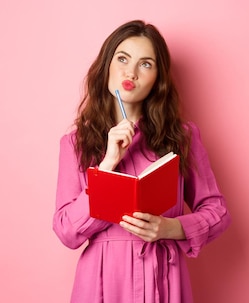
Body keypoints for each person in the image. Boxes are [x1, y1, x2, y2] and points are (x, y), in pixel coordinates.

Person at [53, 20, 231, 302]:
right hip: (102, 281)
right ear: (106, 65)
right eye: (123, 58)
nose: (131, 72)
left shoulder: (182, 137)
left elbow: (217, 211)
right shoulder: (76, 143)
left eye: (145, 64)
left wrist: (172, 228)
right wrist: (107, 165)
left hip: (164, 276)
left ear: (158, 78)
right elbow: (66, 231)